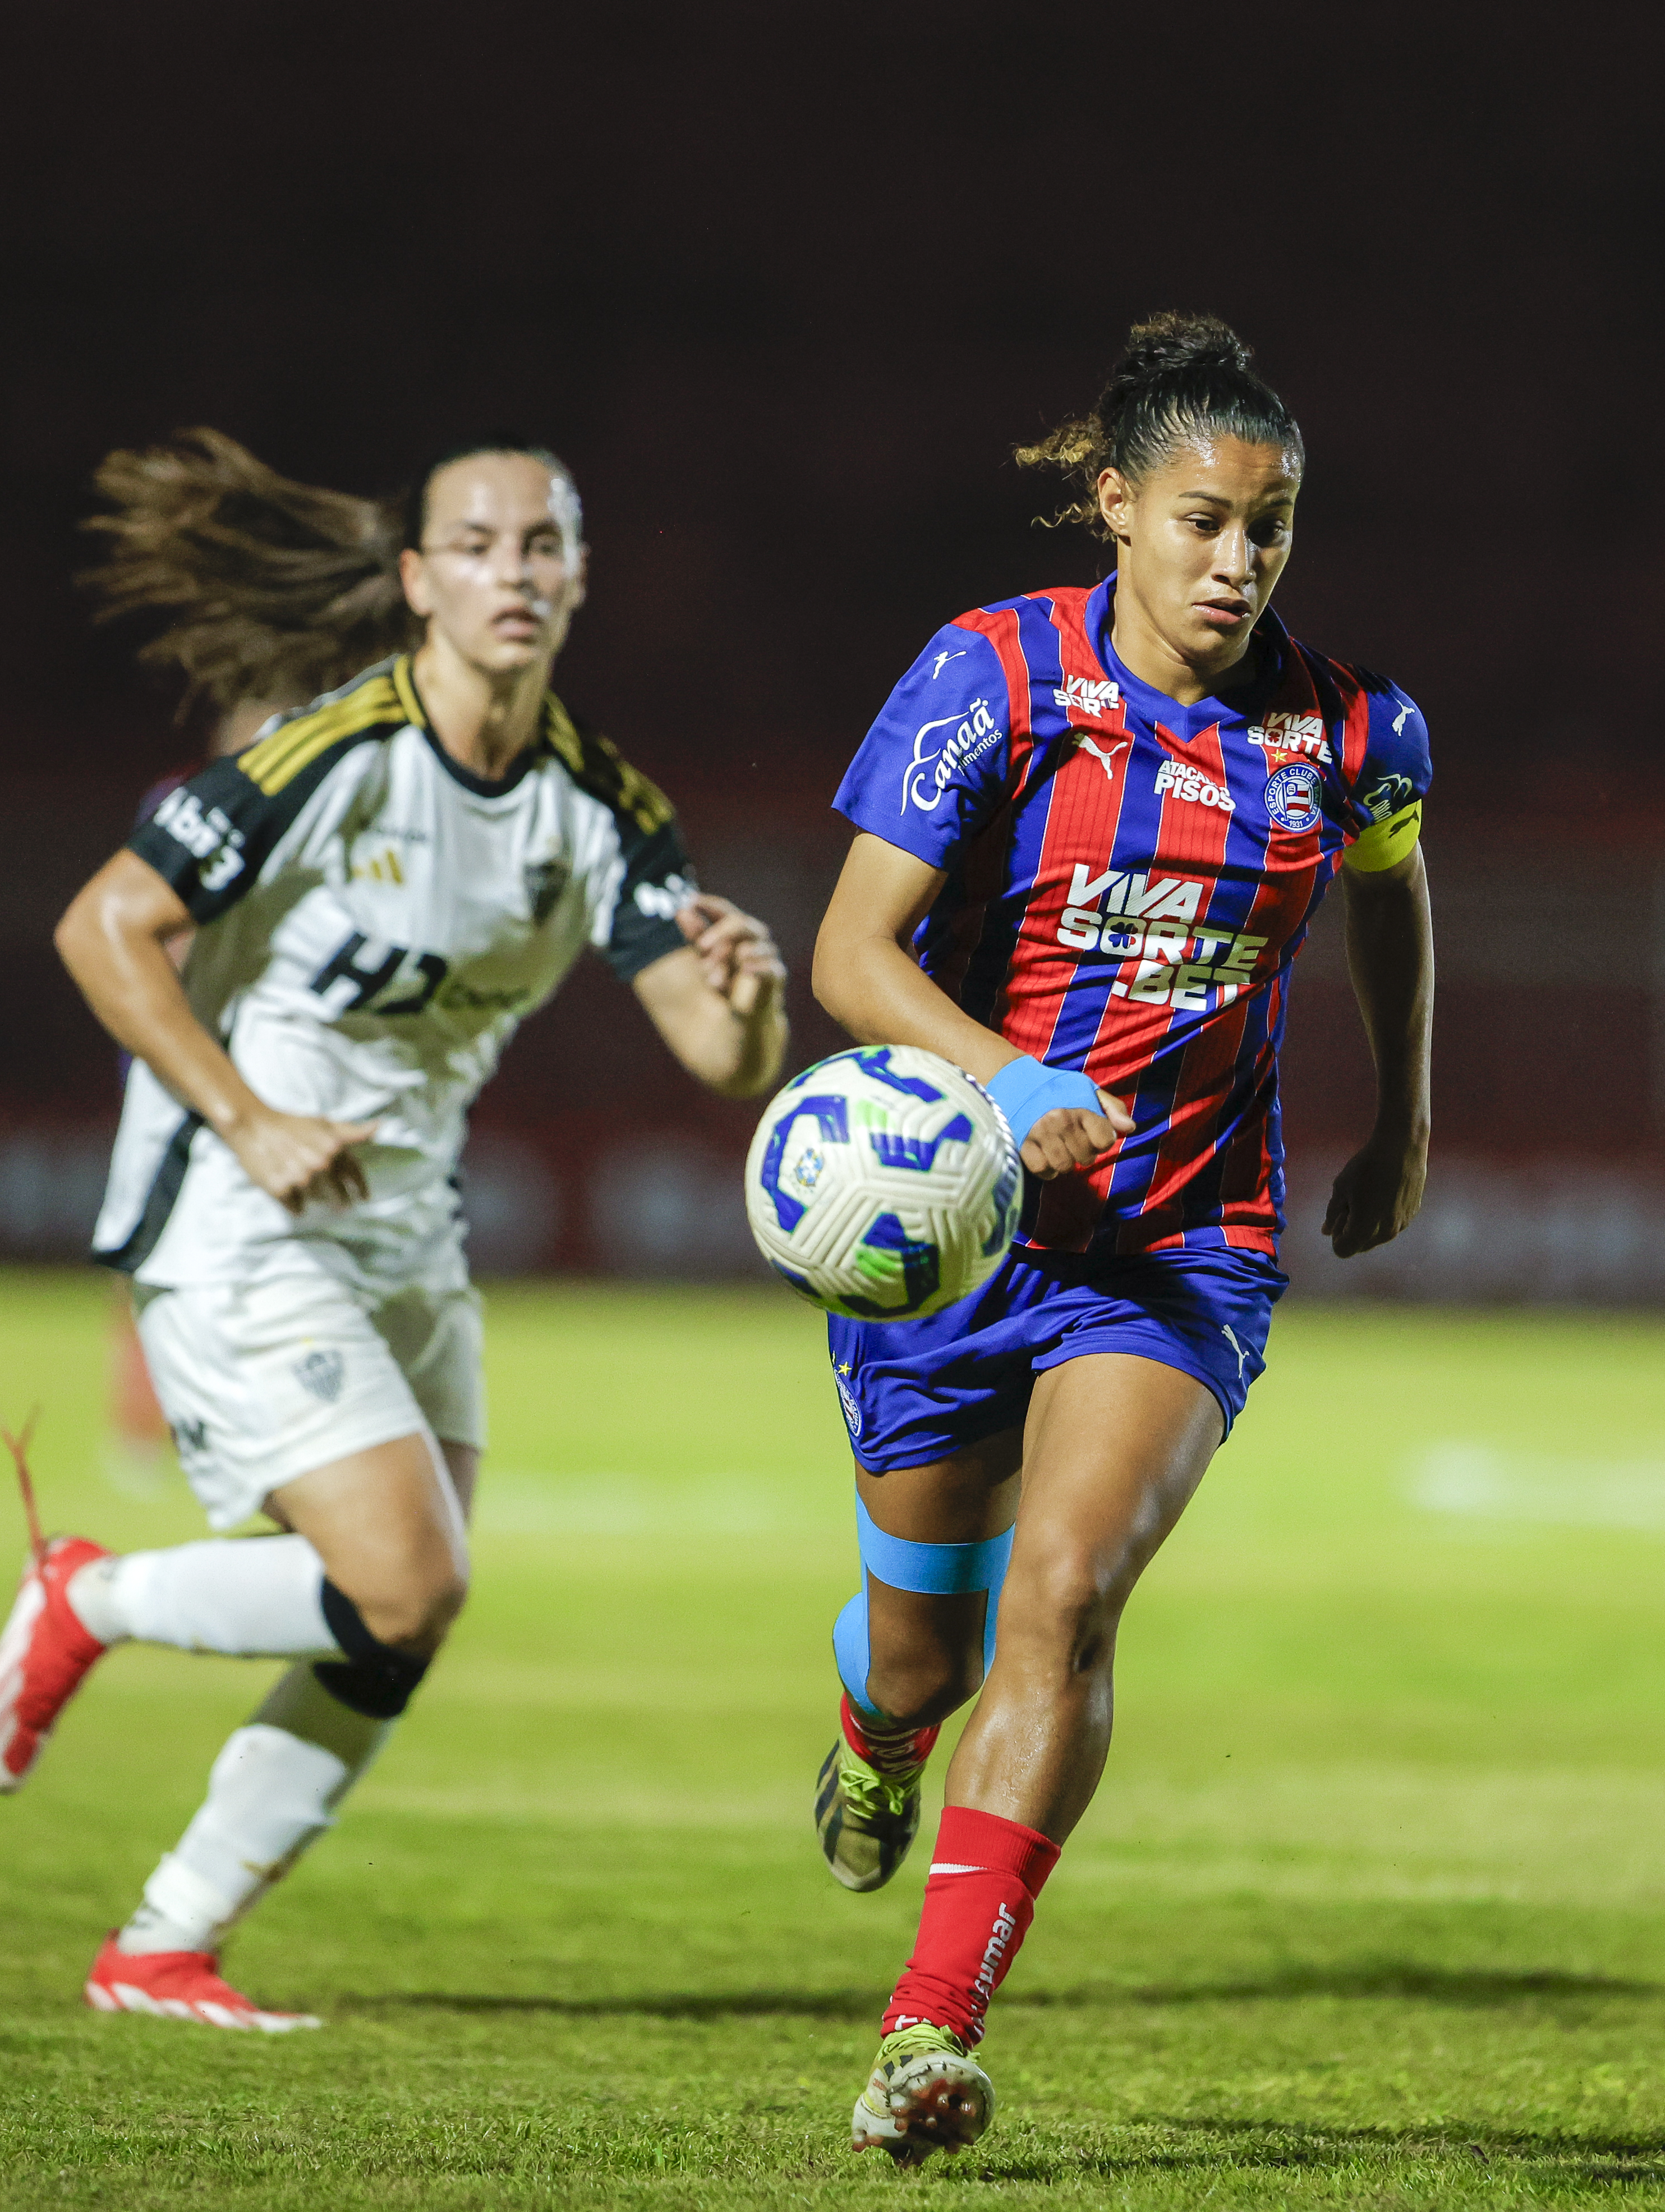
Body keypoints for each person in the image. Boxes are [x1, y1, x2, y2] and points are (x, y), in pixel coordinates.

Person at [0, 432, 788, 2029]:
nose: (514, 571)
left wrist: (754, 1006)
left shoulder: (603, 807)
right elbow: (104, 924)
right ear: (418, 581)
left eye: (542, 544)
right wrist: (250, 1114)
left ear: (576, 577)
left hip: (409, 1224)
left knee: (400, 1618)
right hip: (240, 1207)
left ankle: (161, 1941)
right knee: (407, 1584)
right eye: (477, 544)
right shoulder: (328, 754)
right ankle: (88, 1597)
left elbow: (718, 1055)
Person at [807, 315, 1433, 2161]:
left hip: (1180, 1240)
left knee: (1063, 1598)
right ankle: (872, 1738)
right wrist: (1002, 1084)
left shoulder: (1350, 728)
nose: (1238, 560)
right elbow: (851, 957)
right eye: (1202, 520)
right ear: (1114, 506)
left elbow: (1390, 900)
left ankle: (925, 2035)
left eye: (1273, 525)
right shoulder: (992, 676)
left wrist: (1402, 1115)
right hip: (959, 1225)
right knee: (920, 1658)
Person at [78, 430, 422, 1486]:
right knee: (174, 1240)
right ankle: (168, 1425)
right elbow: (124, 933)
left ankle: (252, 1419)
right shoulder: (202, 812)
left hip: (288, 1064)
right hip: (204, 1063)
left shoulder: (340, 798)